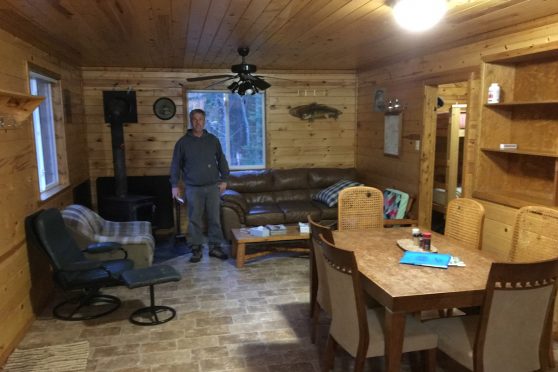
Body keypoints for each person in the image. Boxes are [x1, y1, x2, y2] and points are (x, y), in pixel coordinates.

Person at [169, 109, 229, 263]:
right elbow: (175, 165)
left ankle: (215, 247)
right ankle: (196, 248)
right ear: (191, 121)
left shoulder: (213, 140)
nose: (198, 122)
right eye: (194, 119)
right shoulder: (183, 143)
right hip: (193, 187)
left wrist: (225, 180)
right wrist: (174, 185)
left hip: (212, 186)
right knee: (194, 219)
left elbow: (221, 160)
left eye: (200, 119)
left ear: (205, 121)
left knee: (214, 218)